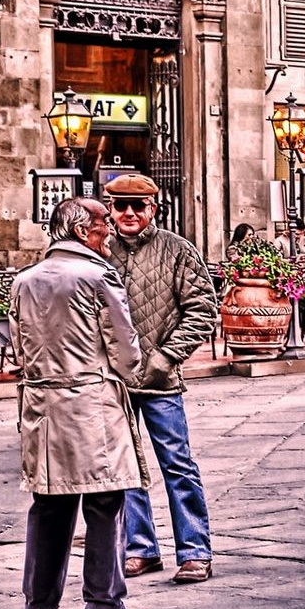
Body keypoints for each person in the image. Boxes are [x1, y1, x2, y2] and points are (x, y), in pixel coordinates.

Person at [12, 197, 149, 609]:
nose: (109, 229)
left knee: (49, 504)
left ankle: (39, 605)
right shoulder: (96, 275)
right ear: (80, 231)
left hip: (41, 405)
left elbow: (19, 346)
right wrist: (133, 375)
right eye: (103, 222)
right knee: (105, 502)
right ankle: (105, 605)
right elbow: (123, 345)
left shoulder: (24, 280)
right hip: (90, 402)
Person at [103, 174, 219, 583]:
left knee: (177, 463)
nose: (129, 213)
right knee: (124, 467)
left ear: (154, 208)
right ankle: (140, 549)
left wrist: (166, 356)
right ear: (109, 208)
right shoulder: (98, 252)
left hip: (159, 378)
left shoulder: (177, 250)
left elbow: (203, 308)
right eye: (121, 206)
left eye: (139, 205)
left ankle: (195, 551)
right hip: (112, 380)